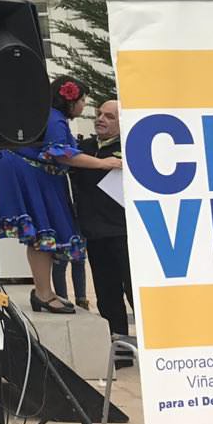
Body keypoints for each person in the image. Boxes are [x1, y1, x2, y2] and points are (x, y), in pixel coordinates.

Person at [0, 76, 122, 314]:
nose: (84, 107)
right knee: (42, 231)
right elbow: (61, 154)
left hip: (21, 169)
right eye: (83, 101)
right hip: (28, 172)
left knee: (40, 233)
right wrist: (102, 163)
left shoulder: (47, 115)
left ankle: (43, 291)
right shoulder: (56, 120)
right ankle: (44, 293)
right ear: (71, 101)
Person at [72, 99, 133, 348]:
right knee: (107, 295)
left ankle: (154, 352)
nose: (101, 119)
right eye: (99, 114)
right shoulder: (84, 147)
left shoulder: (130, 147)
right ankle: (119, 350)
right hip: (95, 233)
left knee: (133, 290)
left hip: (124, 232)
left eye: (109, 116)